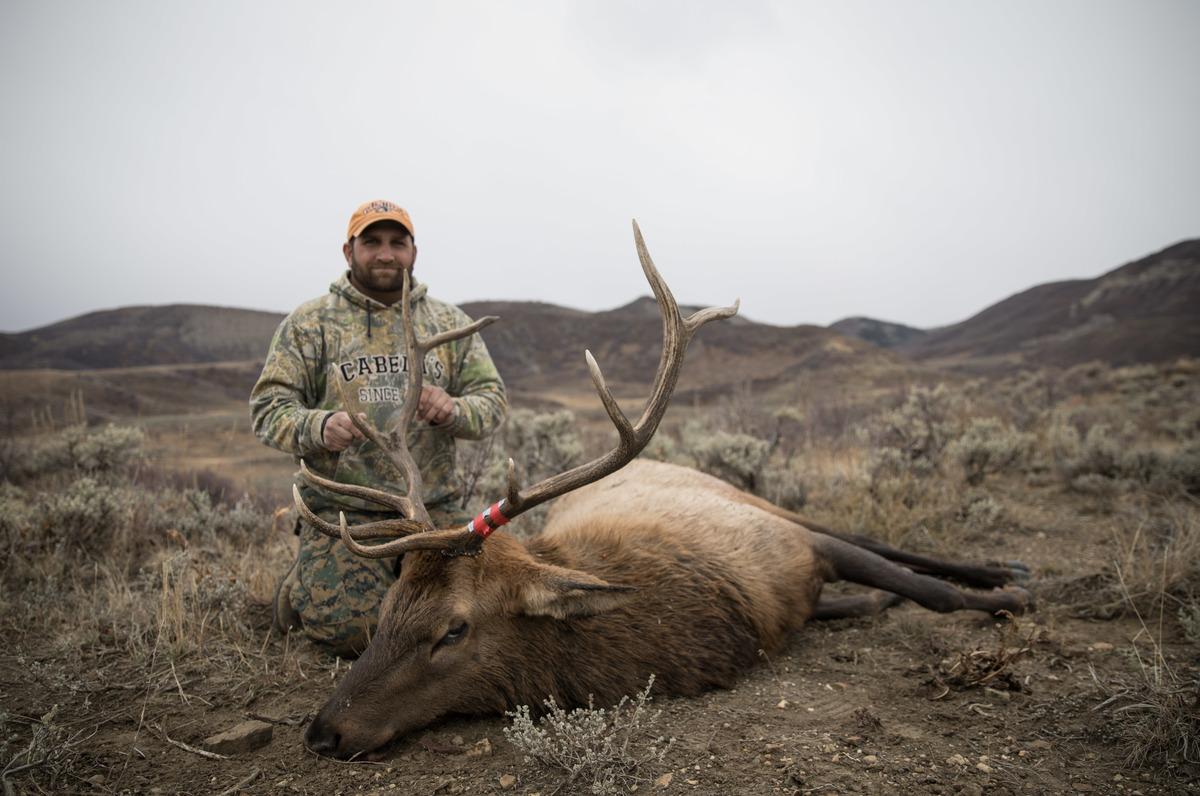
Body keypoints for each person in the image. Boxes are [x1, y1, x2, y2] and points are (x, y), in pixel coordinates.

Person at [250, 199, 507, 655]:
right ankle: (304, 581)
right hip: (344, 511)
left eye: (397, 243)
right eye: (372, 242)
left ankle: (391, 578)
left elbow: (492, 400)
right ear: (349, 252)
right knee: (361, 636)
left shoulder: (449, 323)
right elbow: (268, 409)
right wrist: (319, 425)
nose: (385, 254)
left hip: (433, 513)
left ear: (414, 251)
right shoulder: (310, 325)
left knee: (486, 616)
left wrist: (454, 410)